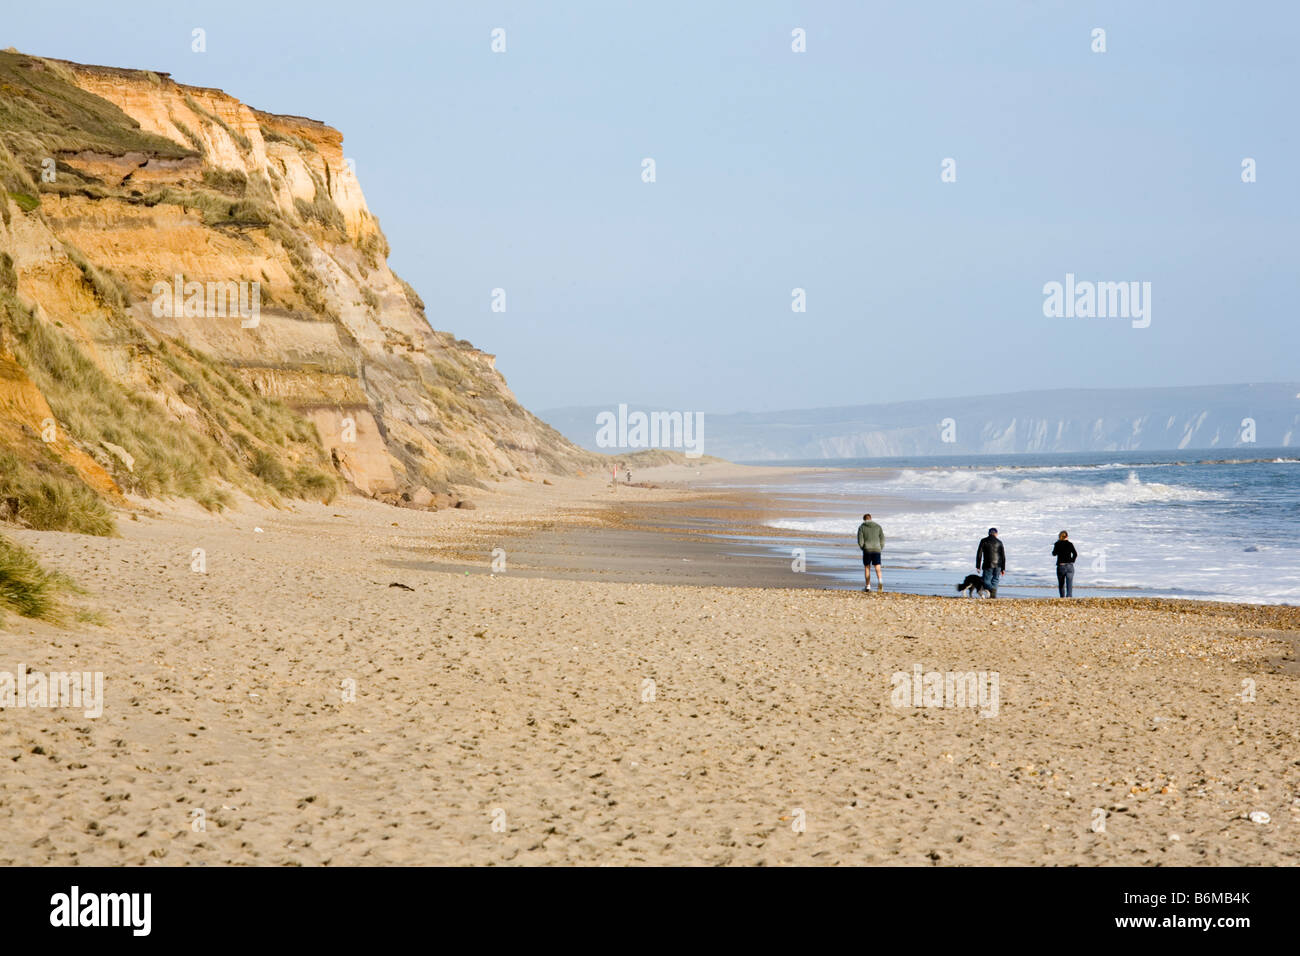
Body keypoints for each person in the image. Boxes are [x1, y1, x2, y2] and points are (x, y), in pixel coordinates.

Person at [856, 513, 885, 592]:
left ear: (864, 519)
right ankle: (880, 582)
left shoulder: (862, 527)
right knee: (877, 567)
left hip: (867, 549)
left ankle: (868, 586)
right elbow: (882, 539)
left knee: (867, 567)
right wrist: (880, 547)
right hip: (877, 549)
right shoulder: (878, 526)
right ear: (871, 518)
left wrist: (863, 548)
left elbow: (860, 540)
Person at [975, 527, 1006, 598]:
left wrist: (978, 566)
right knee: (995, 579)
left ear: (989, 533)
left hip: (987, 564)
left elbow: (979, 554)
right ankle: (993, 595)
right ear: (996, 534)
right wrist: (1003, 568)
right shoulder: (999, 542)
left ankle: (991, 591)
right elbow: (1003, 556)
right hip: (998, 564)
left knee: (986, 580)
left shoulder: (984, 541)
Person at [1052, 530, 1077, 598]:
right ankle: (1069, 597)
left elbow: (1054, 553)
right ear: (1067, 536)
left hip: (1061, 565)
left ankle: (1062, 597)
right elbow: (1075, 554)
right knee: (1069, 583)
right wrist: (1072, 561)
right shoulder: (1070, 544)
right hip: (1069, 565)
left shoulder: (1057, 544)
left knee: (1061, 583)